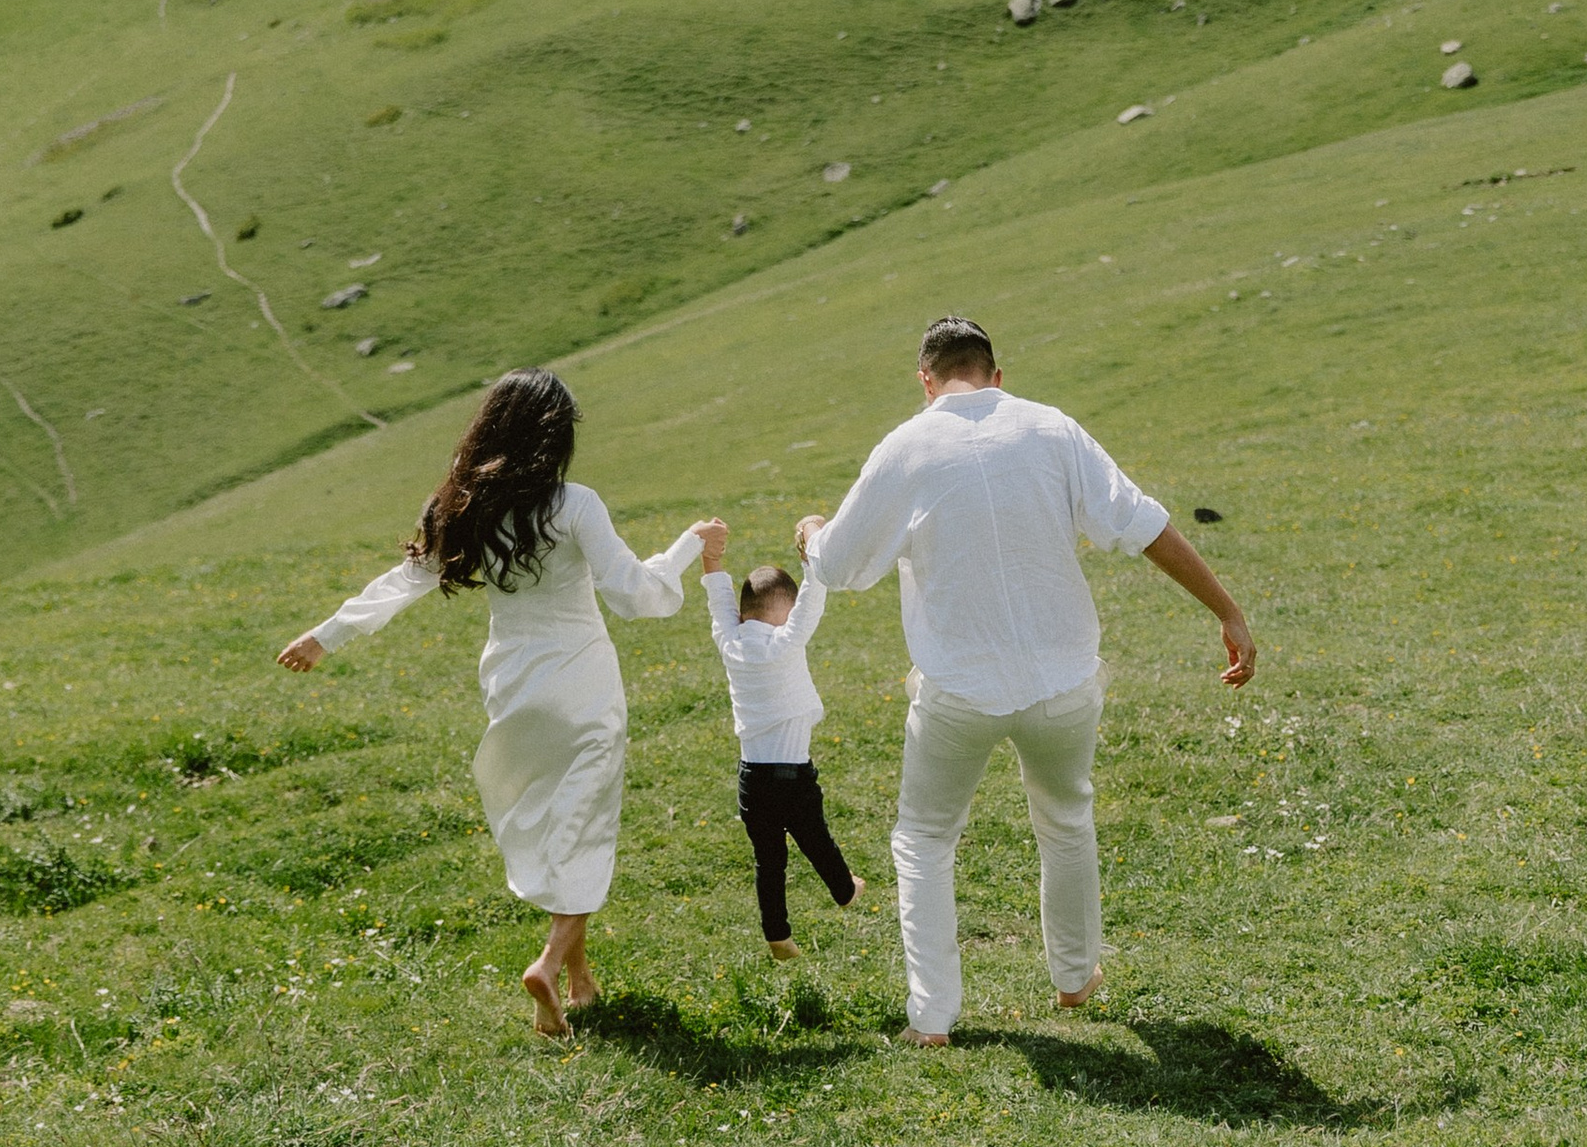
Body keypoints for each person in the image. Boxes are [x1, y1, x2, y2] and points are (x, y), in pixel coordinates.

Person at [797, 310, 1252, 1049]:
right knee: (1066, 820)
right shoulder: (1050, 428)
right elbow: (1146, 527)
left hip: (957, 689)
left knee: (923, 840)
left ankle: (934, 1018)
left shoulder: (906, 446)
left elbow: (842, 567)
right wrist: (1227, 611)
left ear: (926, 383)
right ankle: (1075, 978)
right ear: (996, 376)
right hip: (1062, 679)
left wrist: (812, 532)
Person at [277, 369, 712, 1038]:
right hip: (582, 682)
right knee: (586, 822)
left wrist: (324, 635)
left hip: (512, 681)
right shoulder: (574, 505)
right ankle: (546, 962)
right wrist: (689, 548)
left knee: (558, 823)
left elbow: (403, 581)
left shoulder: (463, 505)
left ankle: (580, 978)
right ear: (555, 436)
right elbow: (636, 596)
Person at [698, 521, 865, 960]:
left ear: (744, 612)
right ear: (784, 613)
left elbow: (718, 598)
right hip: (792, 776)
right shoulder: (787, 642)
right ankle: (846, 890)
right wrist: (811, 552)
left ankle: (778, 935)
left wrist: (711, 557)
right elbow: (813, 598)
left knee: (769, 861)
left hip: (751, 779)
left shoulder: (729, 641)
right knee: (817, 840)